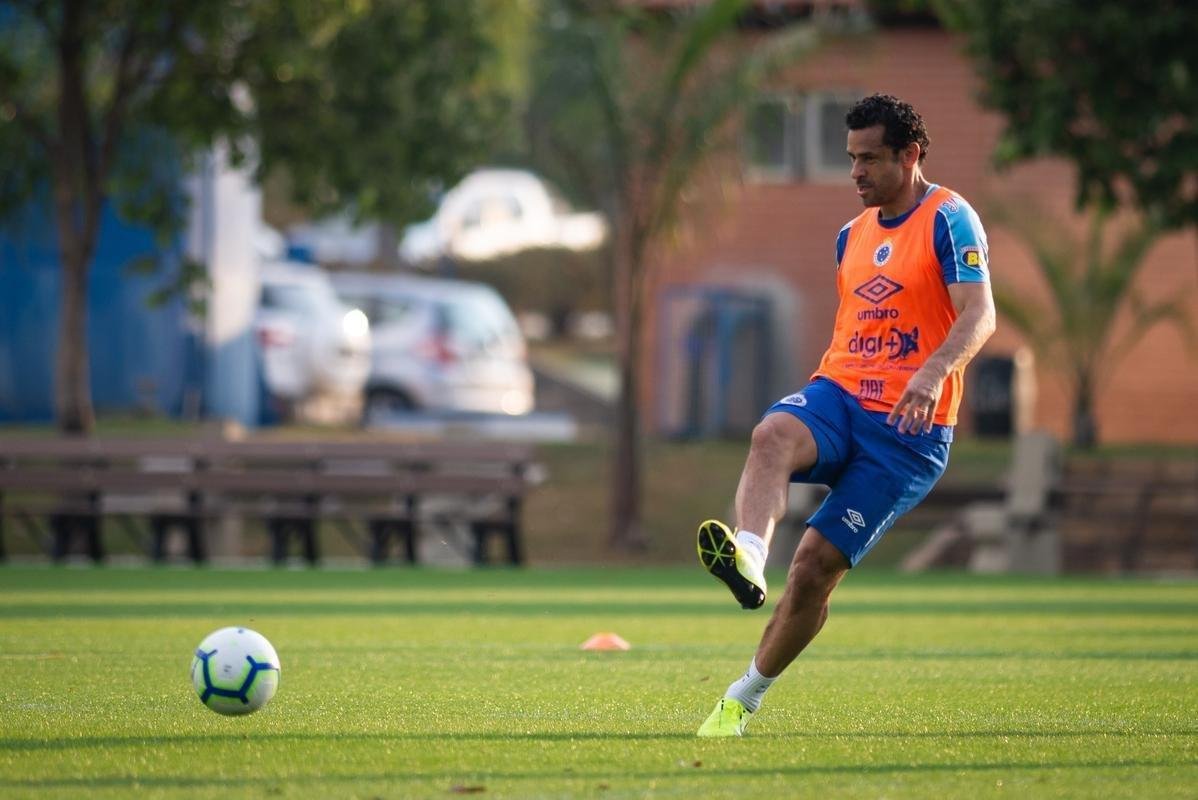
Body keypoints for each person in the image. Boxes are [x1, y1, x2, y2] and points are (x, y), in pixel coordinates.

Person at [695, 94, 996, 737]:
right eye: (850, 159)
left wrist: (932, 372)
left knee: (811, 572)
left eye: (869, 159)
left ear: (910, 155)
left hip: (909, 435)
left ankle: (742, 698)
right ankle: (749, 555)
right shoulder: (849, 236)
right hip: (841, 394)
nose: (855, 173)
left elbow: (979, 313)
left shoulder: (950, 219)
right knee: (771, 432)